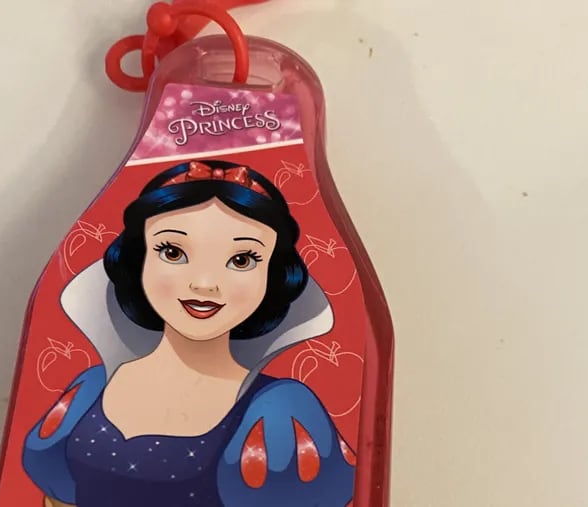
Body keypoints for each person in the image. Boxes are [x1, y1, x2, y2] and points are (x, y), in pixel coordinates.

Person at [22, 160, 357, 506]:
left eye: (242, 260)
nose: (205, 283)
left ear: (273, 275)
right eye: (173, 252)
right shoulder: (91, 388)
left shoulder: (278, 411)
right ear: (139, 260)